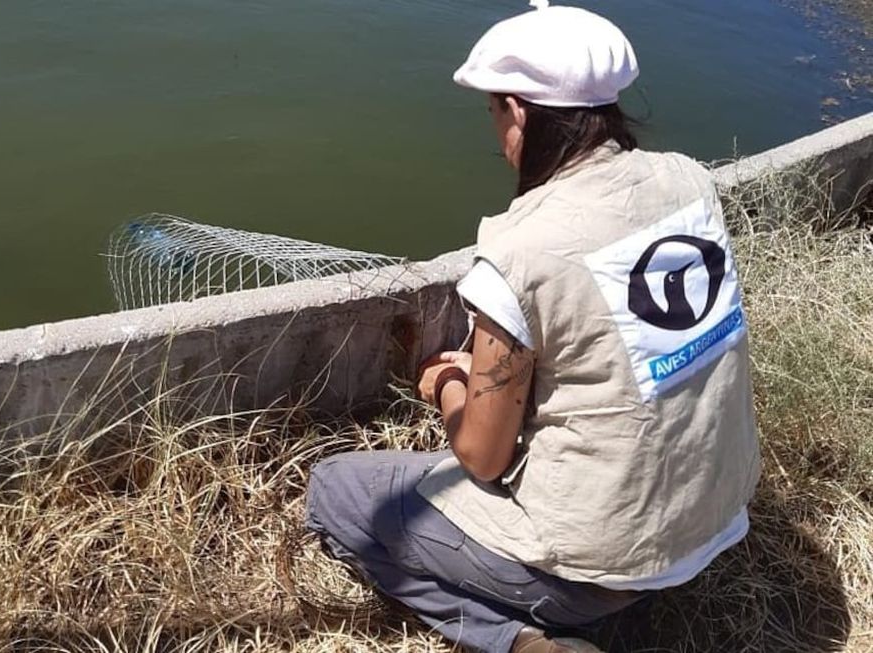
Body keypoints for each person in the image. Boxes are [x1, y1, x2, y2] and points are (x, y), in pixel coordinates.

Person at [305, 2, 761, 651]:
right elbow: (614, 346)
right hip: (713, 521)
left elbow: (483, 457)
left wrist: (444, 385)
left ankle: (522, 638)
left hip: (599, 563)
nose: (496, 135)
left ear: (517, 112)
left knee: (337, 493)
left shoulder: (523, 249)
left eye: (494, 112)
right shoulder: (690, 182)